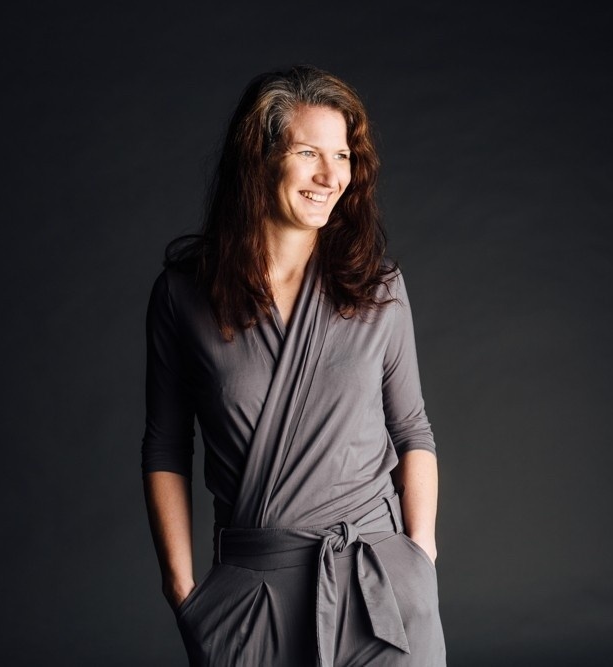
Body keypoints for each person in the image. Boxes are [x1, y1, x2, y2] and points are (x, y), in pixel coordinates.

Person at [141, 64, 446, 666]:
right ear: (258, 161)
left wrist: (420, 555)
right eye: (309, 153)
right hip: (251, 600)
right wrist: (181, 589)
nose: (331, 176)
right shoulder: (183, 296)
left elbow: (412, 428)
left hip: (379, 589)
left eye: (342, 156)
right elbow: (166, 447)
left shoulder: (379, 288)